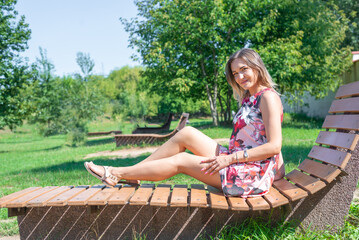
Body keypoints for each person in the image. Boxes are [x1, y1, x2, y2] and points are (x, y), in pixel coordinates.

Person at [85, 48, 285, 198]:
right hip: (239, 161)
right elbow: (267, 134)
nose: (240, 77)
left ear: (257, 67)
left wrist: (230, 160)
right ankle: (134, 173)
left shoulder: (268, 98)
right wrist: (279, 168)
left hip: (248, 174)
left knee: (182, 160)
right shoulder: (250, 97)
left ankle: (115, 172)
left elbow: (275, 145)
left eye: (244, 70)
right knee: (186, 133)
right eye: (235, 74)